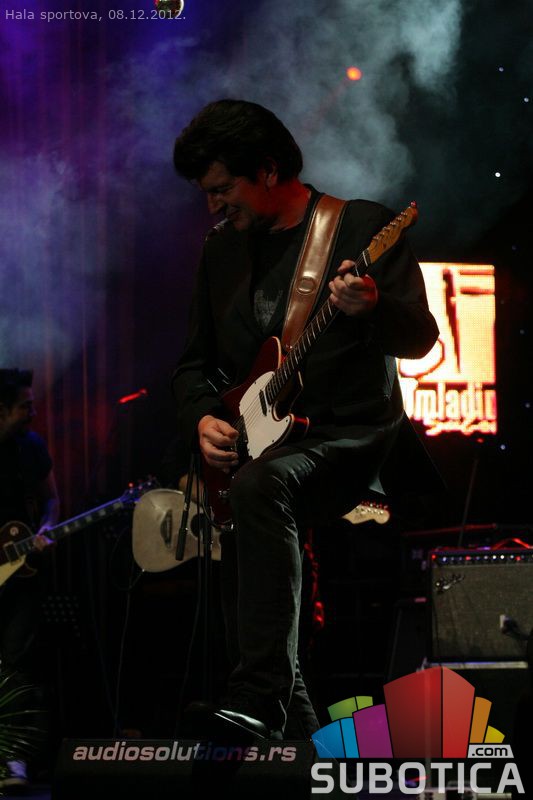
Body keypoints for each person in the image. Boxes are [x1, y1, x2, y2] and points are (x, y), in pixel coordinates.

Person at [171, 99, 439, 740]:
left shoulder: (361, 228)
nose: (213, 207)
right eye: (206, 194)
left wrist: (373, 306)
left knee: (262, 486)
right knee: (247, 558)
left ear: (267, 170)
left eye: (222, 189)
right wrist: (202, 417)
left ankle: (255, 697)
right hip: (261, 447)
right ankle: (291, 743)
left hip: (351, 434)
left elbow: (420, 337)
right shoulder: (221, 251)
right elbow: (193, 364)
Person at [0, 368, 60, 789]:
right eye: (26, 407)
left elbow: (52, 499)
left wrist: (46, 528)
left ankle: (12, 757)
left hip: (22, 577)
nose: (33, 413)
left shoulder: (31, 447)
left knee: (17, 663)